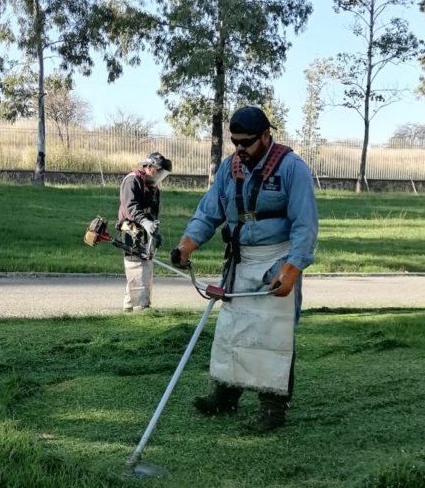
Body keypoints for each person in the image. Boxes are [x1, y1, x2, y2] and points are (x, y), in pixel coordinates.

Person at [170, 105, 318, 431]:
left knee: (271, 334)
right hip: (239, 259)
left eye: (247, 142)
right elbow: (209, 212)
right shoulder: (229, 168)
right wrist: (185, 246)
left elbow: (305, 225)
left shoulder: (293, 169)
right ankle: (226, 395)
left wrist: (292, 269)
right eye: (235, 142)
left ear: (266, 136)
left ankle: (273, 407)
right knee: (232, 329)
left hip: (277, 260)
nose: (239, 149)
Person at [117, 151, 172, 312]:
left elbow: (154, 212)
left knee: (146, 265)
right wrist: (144, 222)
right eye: (158, 171)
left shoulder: (154, 188)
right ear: (148, 166)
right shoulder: (132, 181)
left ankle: (129, 306)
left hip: (145, 230)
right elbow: (130, 207)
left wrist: (155, 231)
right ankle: (141, 306)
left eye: (163, 173)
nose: (160, 175)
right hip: (130, 229)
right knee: (136, 266)